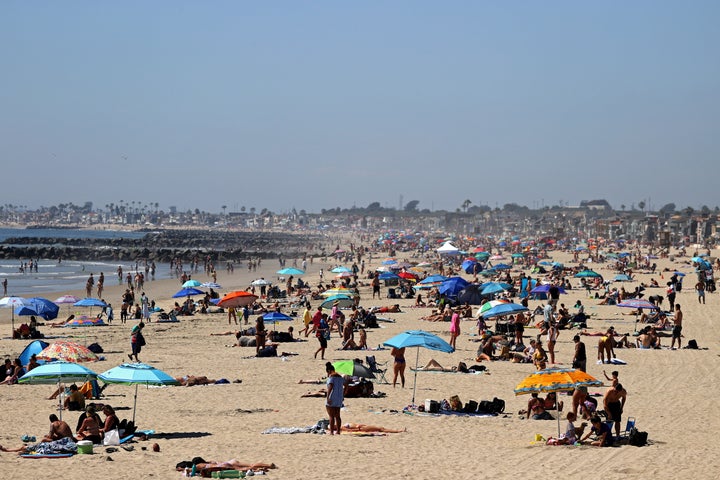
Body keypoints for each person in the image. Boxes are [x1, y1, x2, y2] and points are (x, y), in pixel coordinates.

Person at [325, 362, 344, 435]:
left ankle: (331, 432)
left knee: (331, 416)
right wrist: (343, 394)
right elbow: (346, 385)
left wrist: (327, 397)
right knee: (338, 416)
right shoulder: (340, 377)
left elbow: (330, 387)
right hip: (339, 397)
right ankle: (338, 431)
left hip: (332, 397)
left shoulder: (331, 378)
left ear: (329, 371)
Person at [341, 423, 405, 433]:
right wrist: (359, 429)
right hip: (362, 429)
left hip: (362, 427)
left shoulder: (341, 425)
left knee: (381, 428)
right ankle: (398, 431)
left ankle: (397, 431)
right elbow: (350, 430)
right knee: (381, 429)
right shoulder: (341, 428)